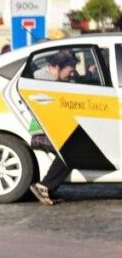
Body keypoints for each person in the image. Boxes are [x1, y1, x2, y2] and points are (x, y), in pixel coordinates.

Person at [29, 50, 78, 206]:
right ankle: (45, 186)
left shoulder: (55, 80)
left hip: (53, 128)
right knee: (72, 150)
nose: (72, 75)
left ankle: (47, 188)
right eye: (70, 71)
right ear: (56, 67)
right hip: (42, 131)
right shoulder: (43, 81)